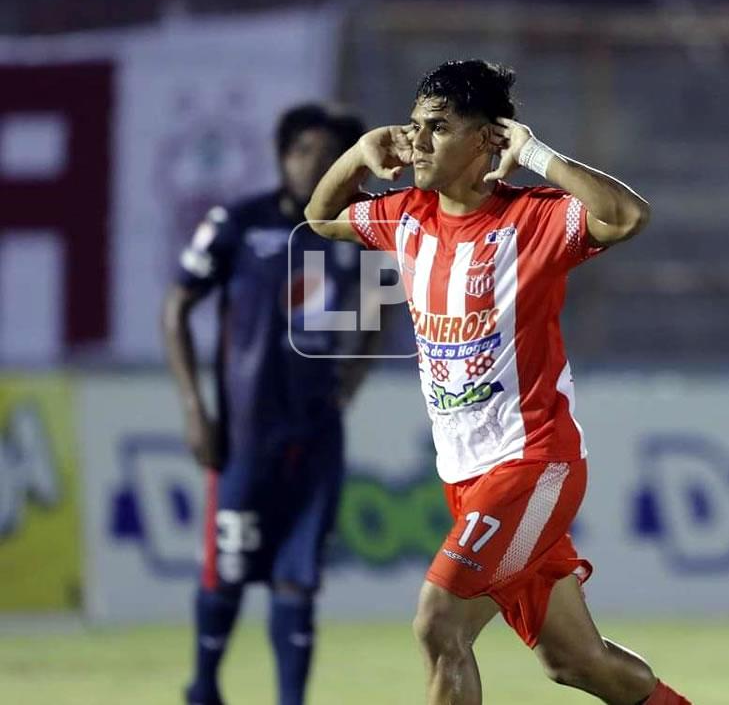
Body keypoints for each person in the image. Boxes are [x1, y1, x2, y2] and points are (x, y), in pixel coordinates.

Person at [305, 59, 689, 705]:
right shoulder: (406, 217)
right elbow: (321, 218)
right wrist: (356, 156)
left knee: (439, 621)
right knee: (576, 661)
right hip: (466, 475)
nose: (418, 142)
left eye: (438, 128)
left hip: (533, 463)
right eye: (414, 127)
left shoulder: (532, 219)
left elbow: (625, 216)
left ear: (487, 139)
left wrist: (535, 153)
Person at [164, 103, 376, 705]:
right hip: (243, 434)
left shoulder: (354, 234)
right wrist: (194, 408)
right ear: (282, 156)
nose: (316, 163)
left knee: (299, 579)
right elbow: (176, 305)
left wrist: (351, 380)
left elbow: (379, 308)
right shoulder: (239, 222)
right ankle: (203, 688)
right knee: (227, 570)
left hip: (316, 435)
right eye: (304, 149)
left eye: (331, 152)